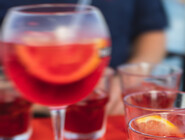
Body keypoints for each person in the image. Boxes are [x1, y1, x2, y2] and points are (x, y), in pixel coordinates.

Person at [0, 0, 169, 115]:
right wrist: (33, 97)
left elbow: (151, 31)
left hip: (107, 110)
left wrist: (128, 80)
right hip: (16, 113)